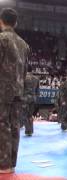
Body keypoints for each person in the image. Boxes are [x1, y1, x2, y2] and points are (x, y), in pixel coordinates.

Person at [0, 8, 30, 174]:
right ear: (16, 23)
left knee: (2, 126)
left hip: (3, 91)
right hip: (18, 90)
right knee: (14, 126)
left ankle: (3, 165)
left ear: (1, 21)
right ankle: (11, 163)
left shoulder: (1, 39)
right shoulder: (23, 44)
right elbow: (25, 71)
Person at [22, 65, 40, 136]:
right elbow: (38, 91)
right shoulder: (36, 78)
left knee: (25, 115)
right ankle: (31, 130)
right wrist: (36, 98)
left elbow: (21, 88)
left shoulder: (23, 77)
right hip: (33, 98)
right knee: (30, 115)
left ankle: (28, 131)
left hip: (25, 98)